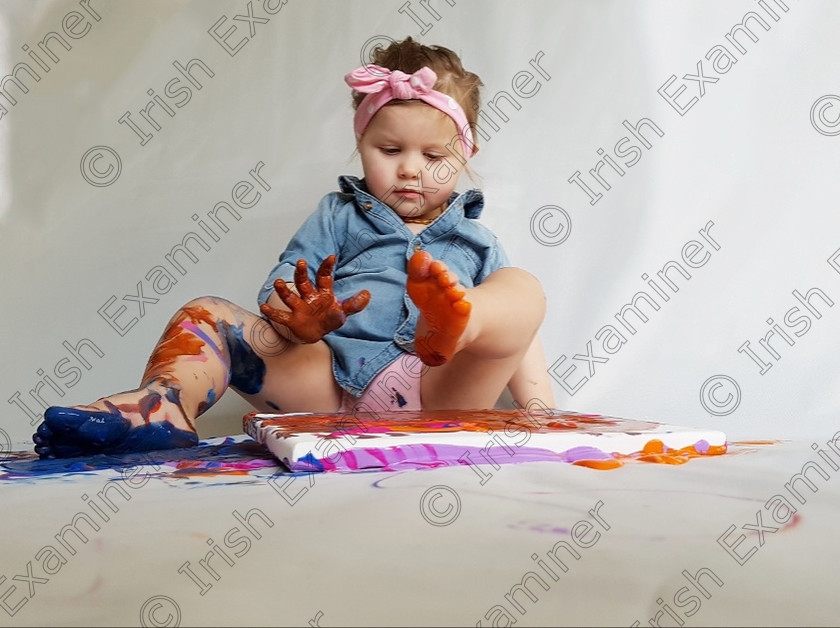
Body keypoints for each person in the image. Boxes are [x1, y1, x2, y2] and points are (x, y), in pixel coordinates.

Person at [33, 37, 555, 459]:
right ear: (360, 144)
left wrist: (541, 412)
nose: (411, 168)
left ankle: (455, 322)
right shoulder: (338, 214)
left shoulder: (476, 240)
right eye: (390, 150)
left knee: (520, 292)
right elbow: (289, 277)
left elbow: (523, 336)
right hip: (331, 390)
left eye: (434, 154)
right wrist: (298, 320)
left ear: (466, 154)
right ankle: (160, 406)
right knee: (206, 313)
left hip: (441, 397)